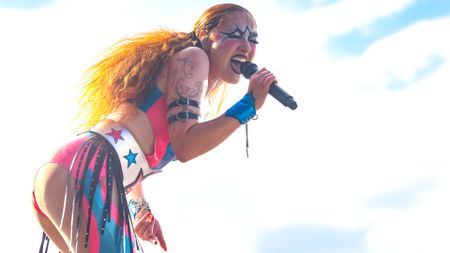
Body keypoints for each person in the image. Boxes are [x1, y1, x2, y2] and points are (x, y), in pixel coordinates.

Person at [32, 3, 277, 253]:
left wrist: (140, 210)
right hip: (89, 172)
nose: (246, 46)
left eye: (253, 39)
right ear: (205, 36)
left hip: (72, 169)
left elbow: (125, 145)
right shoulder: (195, 57)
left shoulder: (177, 69)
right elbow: (185, 145)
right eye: (235, 35)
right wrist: (249, 105)